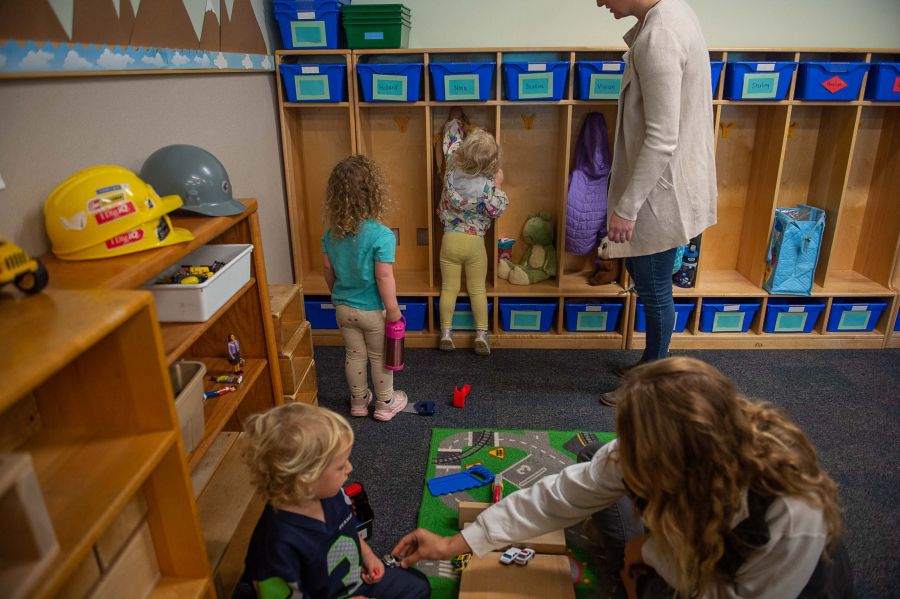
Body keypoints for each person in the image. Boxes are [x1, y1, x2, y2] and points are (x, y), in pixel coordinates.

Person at [391, 358, 853, 599]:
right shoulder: (650, 450)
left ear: (674, 465)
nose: (624, 452)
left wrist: (647, 559)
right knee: (595, 459)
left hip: (753, 584)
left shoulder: (788, 516)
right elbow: (556, 498)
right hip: (686, 542)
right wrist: (457, 544)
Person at [595, 0, 718, 406]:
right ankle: (650, 363)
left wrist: (626, 208)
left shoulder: (660, 35)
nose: (599, 2)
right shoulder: (671, 13)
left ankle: (652, 384)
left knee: (653, 289)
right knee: (653, 286)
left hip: (658, 194)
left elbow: (662, 138)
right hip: (669, 184)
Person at [241, 403, 431, 599]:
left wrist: (367, 555)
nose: (349, 468)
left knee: (419, 586)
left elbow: (348, 532)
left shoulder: (331, 494)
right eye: (340, 467)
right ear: (306, 480)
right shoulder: (275, 544)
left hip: (355, 581)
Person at [322, 155, 408, 421]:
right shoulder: (382, 235)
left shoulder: (330, 233)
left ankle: (358, 402)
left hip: (344, 309)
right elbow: (383, 277)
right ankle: (384, 403)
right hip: (373, 311)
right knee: (379, 357)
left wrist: (336, 296)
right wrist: (393, 310)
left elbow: (328, 269)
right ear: (373, 194)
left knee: (354, 356)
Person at [438, 106, 509, 355]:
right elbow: (496, 210)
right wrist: (498, 185)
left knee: (449, 288)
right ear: (491, 165)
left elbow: (451, 143)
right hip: (474, 244)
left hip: (450, 239)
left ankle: (446, 332)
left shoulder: (450, 170)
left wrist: (454, 121)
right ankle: (481, 334)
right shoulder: (487, 188)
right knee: (477, 289)